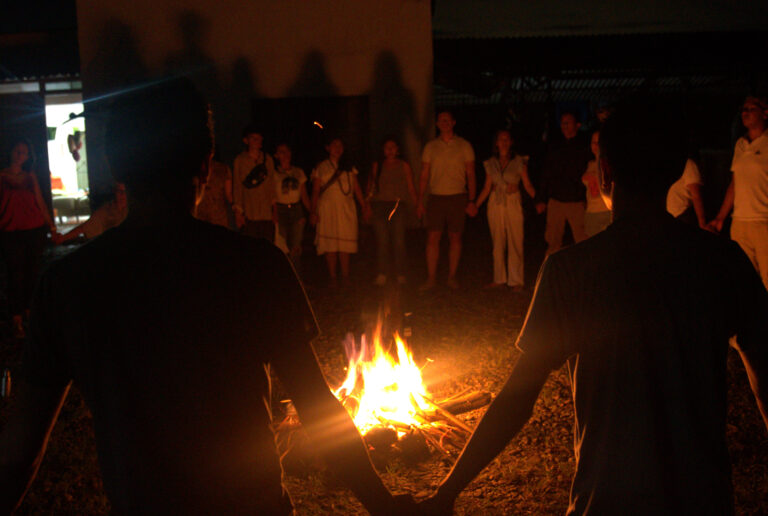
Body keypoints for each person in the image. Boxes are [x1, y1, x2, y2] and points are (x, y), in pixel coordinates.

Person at [0, 79, 415, 515]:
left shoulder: (69, 284)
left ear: (114, 166)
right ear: (206, 164)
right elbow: (315, 404)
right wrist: (384, 505)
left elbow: (18, 450)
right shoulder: (255, 266)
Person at [419, 98, 768, 515]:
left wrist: (447, 492)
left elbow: (516, 399)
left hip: (605, 500)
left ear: (603, 172)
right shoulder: (723, 262)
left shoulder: (570, 271)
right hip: (704, 500)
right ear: (677, 171)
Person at [0, 139, 59, 338]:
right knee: (15, 274)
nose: (20, 155)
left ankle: (30, 313)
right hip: (10, 230)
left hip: (33, 229)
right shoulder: (2, 176)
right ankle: (17, 318)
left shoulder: (30, 176)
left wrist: (50, 224)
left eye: (24, 152)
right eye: (18, 150)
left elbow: (39, 200)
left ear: (27, 157)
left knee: (32, 272)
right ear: (11, 152)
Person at [708, 95, 768, 290]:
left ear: (764, 113)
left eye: (751, 109)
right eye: (744, 109)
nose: (745, 113)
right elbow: (735, 183)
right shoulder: (740, 145)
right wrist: (720, 218)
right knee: (745, 279)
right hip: (740, 222)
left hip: (763, 221)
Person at [417, 111, 476, 290]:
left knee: (455, 237)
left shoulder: (464, 145)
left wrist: (472, 200)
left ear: (453, 122)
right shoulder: (430, 147)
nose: (445, 123)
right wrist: (420, 200)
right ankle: (431, 278)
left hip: (458, 196)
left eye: (448, 120)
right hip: (436, 197)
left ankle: (451, 277)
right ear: (437, 124)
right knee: (432, 238)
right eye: (441, 120)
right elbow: (424, 175)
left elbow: (471, 173)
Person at [475, 130, 535, 290]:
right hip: (496, 201)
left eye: (507, 139)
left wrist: (539, 199)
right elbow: (487, 187)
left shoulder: (519, 161)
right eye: (501, 139)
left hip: (513, 200)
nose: (504, 142)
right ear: (496, 143)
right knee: (497, 241)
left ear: (511, 142)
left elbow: (527, 184)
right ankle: (499, 278)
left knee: (516, 239)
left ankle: (516, 280)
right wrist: (475, 204)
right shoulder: (491, 163)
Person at [310, 137, 370, 287]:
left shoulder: (349, 167)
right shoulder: (321, 167)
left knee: (345, 243)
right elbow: (316, 191)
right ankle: (333, 277)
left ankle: (345, 276)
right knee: (330, 244)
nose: (337, 148)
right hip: (327, 209)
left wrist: (364, 206)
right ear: (328, 148)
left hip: (346, 209)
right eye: (334, 145)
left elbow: (356, 188)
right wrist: (313, 211)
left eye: (340, 145)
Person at [535, 111, 591, 255]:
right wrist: (541, 198)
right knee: (553, 241)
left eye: (568, 122)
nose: (565, 125)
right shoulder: (555, 146)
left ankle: (585, 274)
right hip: (556, 201)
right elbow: (546, 172)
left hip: (575, 201)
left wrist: (585, 198)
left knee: (583, 240)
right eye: (563, 122)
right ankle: (550, 274)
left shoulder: (584, 147)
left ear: (577, 125)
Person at [367, 137, 418, 286]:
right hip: (380, 206)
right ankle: (382, 273)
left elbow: (410, 187)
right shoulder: (377, 165)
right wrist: (367, 205)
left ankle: (401, 273)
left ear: (398, 149)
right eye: (387, 147)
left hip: (398, 206)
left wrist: (417, 205)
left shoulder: (404, 165)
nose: (390, 150)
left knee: (399, 241)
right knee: (382, 242)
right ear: (383, 150)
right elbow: (371, 187)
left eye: (393, 147)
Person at [232, 125, 277, 240]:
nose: (257, 142)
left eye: (259, 139)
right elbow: (237, 186)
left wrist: (274, 211)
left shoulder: (268, 160)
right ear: (246, 141)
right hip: (249, 213)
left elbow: (272, 185)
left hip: (266, 213)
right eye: (254, 139)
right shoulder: (240, 161)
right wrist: (238, 213)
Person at [273, 143, 310, 274]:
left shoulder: (298, 172)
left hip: (296, 210)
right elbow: (272, 197)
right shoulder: (273, 173)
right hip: (280, 210)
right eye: (282, 152)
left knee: (296, 246)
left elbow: (304, 195)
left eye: (287, 151)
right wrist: (275, 215)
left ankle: (297, 277)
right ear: (276, 155)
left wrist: (311, 212)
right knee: (281, 247)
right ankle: (283, 276)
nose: (286, 154)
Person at [56, 182, 128, 244]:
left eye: (124, 192)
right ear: (115, 192)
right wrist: (64, 238)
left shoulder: (134, 208)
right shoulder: (106, 210)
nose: (122, 195)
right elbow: (86, 226)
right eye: (119, 191)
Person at [581, 130, 611, 237]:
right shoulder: (589, 164)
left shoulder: (609, 164)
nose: (596, 146)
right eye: (593, 142)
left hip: (606, 212)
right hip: (591, 213)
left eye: (599, 142)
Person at [666, 158, 707, 229]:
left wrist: (702, 223)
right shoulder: (685, 164)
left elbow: (696, 195)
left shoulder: (690, 165)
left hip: (683, 213)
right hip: (678, 214)